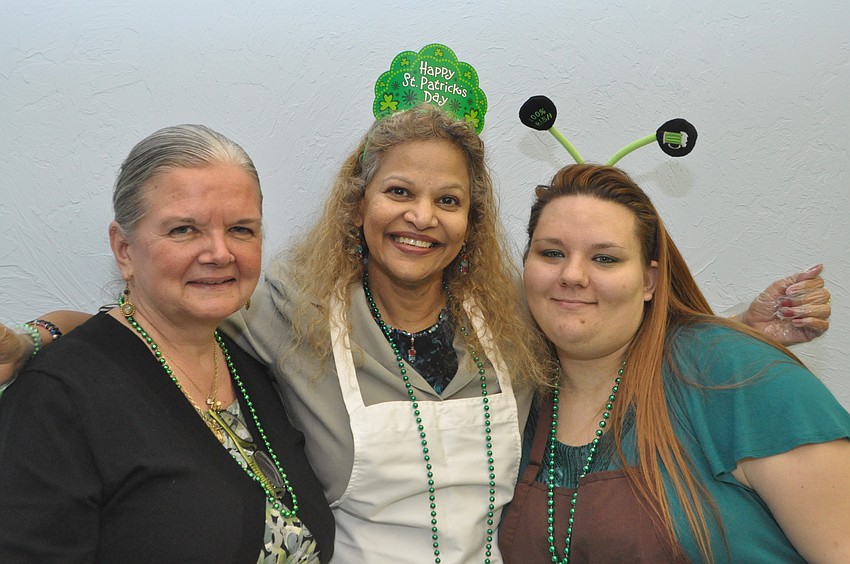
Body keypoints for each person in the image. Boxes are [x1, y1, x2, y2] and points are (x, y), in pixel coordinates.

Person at [0, 106, 834, 563]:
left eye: (449, 201)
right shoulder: (283, 307)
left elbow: (601, 325)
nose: (421, 217)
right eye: (400, 192)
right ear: (357, 207)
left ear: (472, 224)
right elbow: (161, 318)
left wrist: (734, 329)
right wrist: (39, 340)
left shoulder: (508, 325)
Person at [0, 125, 334, 563]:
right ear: (124, 250)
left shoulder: (248, 365)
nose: (219, 252)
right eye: (184, 230)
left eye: (241, 229)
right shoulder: (58, 398)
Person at [499, 163, 850, 563]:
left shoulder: (738, 374)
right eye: (552, 253)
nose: (572, 274)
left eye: (605, 259)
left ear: (649, 281)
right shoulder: (517, 398)